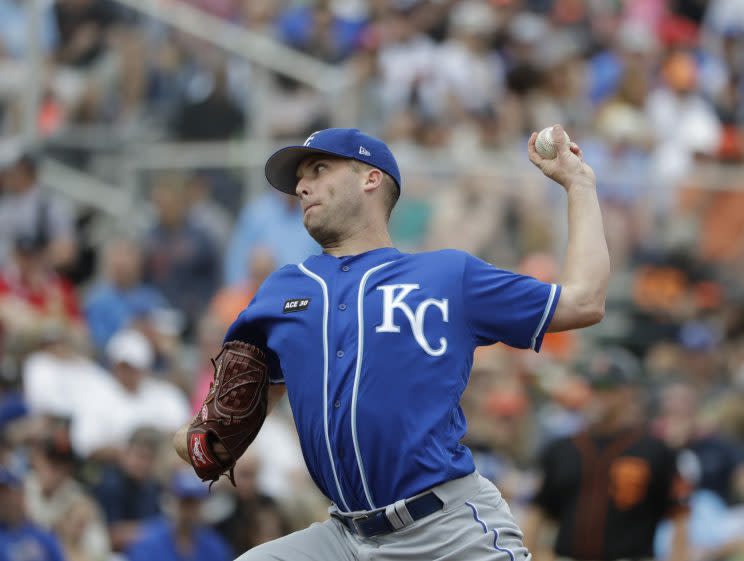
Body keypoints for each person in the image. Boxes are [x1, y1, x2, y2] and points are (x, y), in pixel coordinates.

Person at [174, 126, 609, 560]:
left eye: (319, 169)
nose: (302, 186)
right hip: (346, 538)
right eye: (298, 179)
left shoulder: (447, 276)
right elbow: (223, 431)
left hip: (447, 531)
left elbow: (584, 300)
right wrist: (200, 441)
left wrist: (579, 183)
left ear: (370, 178)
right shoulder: (281, 291)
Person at [522, 348, 691, 561]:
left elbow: (680, 516)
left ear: (630, 391)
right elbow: (538, 513)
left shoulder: (656, 450)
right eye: (593, 386)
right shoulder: (561, 449)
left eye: (607, 387)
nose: (598, 395)